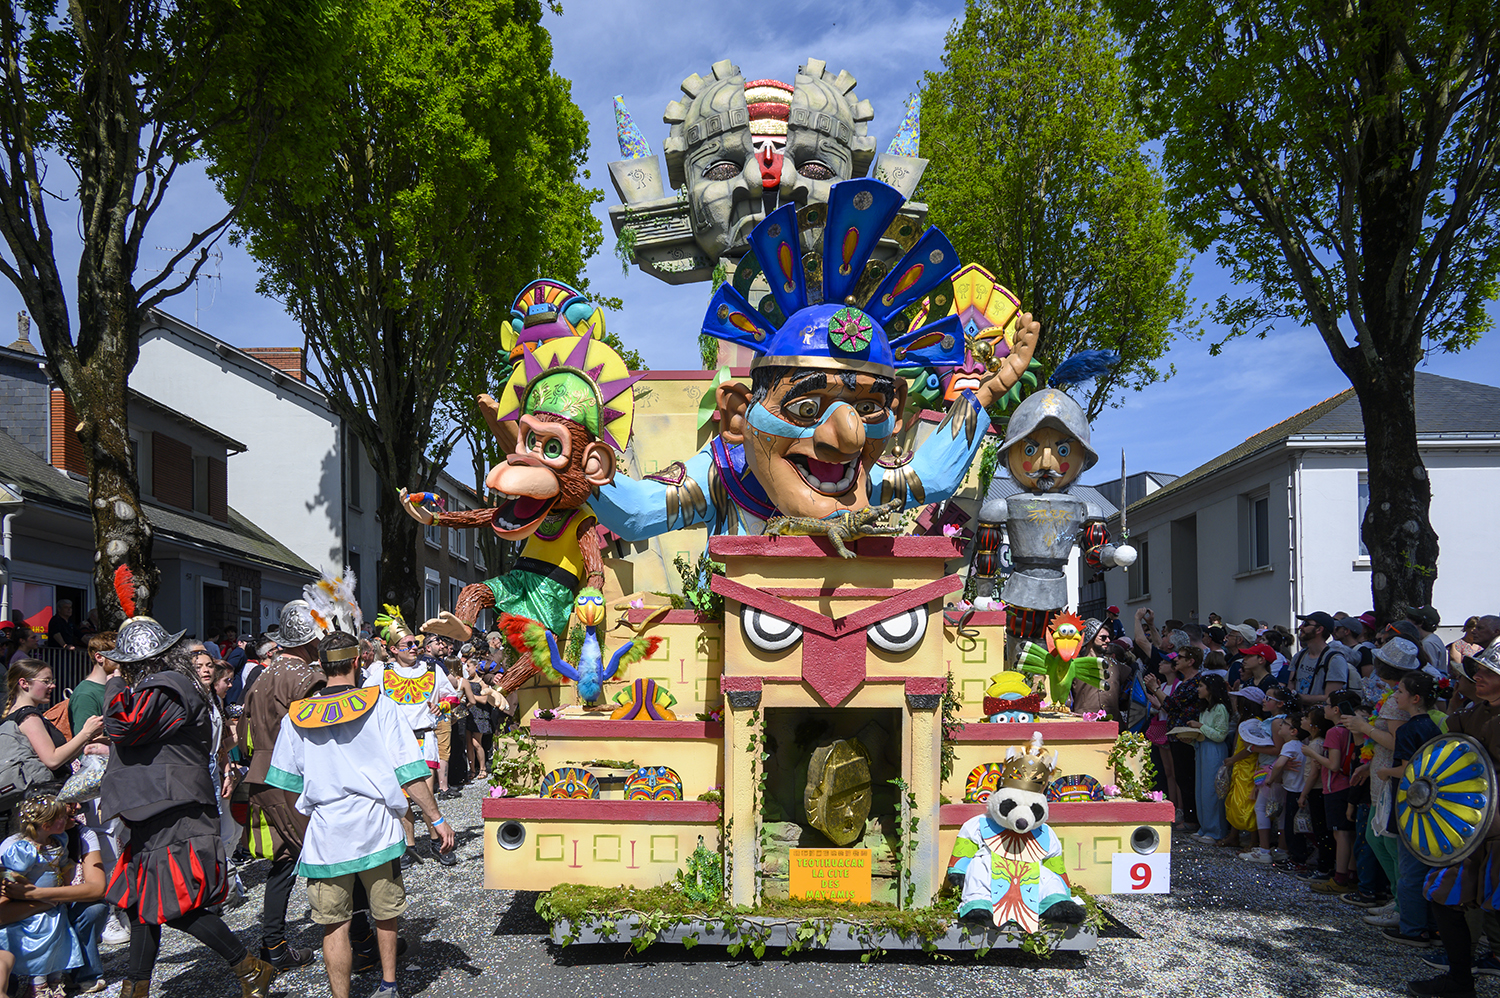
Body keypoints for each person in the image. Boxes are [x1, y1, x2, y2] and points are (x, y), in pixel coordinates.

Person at [267, 631, 454, 998]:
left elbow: (286, 782)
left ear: (321, 666)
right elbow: (409, 771)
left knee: (333, 924)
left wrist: (307, 826)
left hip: (326, 833)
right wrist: (435, 818)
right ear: (357, 662)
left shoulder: (296, 717)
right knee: (384, 911)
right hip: (375, 827)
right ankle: (388, 984)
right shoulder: (381, 706)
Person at [99, 617, 275, 998]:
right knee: (139, 901)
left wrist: (111, 680)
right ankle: (137, 986)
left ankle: (248, 967)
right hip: (151, 808)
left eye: (127, 665)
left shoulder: (171, 684)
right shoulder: (160, 685)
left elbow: (123, 724)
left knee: (172, 903)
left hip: (173, 809)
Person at [1410, 638, 1500, 997]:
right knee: (1443, 895)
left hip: (1498, 831)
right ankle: (1460, 981)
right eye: (1478, 670)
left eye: (1489, 673)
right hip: (1471, 826)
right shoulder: (1474, 712)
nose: (1478, 676)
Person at [238, 602, 325, 971]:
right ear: (308, 642)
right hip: (290, 778)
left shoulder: (263, 674)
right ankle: (363, 940)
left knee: (287, 861)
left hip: (264, 776)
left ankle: (274, 944)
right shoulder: (305, 676)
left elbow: (243, 738)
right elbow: (321, 734)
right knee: (327, 853)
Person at [369, 609, 457, 867]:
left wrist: (443, 706)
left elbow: (453, 696)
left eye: (416, 643)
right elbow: (364, 701)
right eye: (408, 644)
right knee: (403, 795)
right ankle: (408, 845)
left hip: (425, 739)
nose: (414, 648)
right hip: (395, 743)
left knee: (426, 791)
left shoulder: (432, 669)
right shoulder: (381, 674)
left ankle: (435, 840)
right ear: (394, 649)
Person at [0, 795, 108, 996]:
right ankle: (38, 985)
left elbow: (89, 882)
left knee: (59, 939)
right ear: (47, 823)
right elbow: (10, 875)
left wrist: (52, 892)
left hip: (55, 904)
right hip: (32, 908)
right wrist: (29, 893)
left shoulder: (61, 840)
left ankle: (58, 981)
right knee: (41, 942)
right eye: (63, 812)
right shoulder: (21, 847)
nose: (75, 810)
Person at [1376, 671, 1442, 946]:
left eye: (1400, 692)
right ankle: (1432, 925)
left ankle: (1413, 928)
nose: (1395, 696)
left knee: (1409, 871)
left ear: (1415, 699)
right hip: (1433, 806)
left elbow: (1406, 770)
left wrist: (1384, 771)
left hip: (1409, 806)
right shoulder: (1434, 728)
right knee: (1427, 867)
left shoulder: (1407, 730)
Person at [1, 660, 104, 803]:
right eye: (46, 681)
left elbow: (63, 760)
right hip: (44, 801)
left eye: (52, 681)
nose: (53, 685)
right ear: (24, 683)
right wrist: (85, 732)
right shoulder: (29, 717)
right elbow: (53, 760)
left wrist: (87, 737)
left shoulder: (14, 716)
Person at [1186, 673, 1232, 846]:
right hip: (1203, 749)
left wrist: (1200, 726)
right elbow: (1204, 733)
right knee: (1201, 790)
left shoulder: (1220, 708)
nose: (1198, 689)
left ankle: (1216, 830)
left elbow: (1220, 735)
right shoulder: (1206, 708)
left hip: (1214, 751)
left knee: (1212, 791)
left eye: (1201, 686)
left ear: (1210, 689)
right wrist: (1190, 738)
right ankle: (1205, 827)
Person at [1290, 611, 1353, 707]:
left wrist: (1297, 697)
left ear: (1319, 629)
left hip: (1320, 718)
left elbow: (1331, 698)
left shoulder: (1335, 660)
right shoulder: (1299, 656)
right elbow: (1291, 685)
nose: (1301, 627)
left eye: (1306, 624)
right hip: (1298, 717)